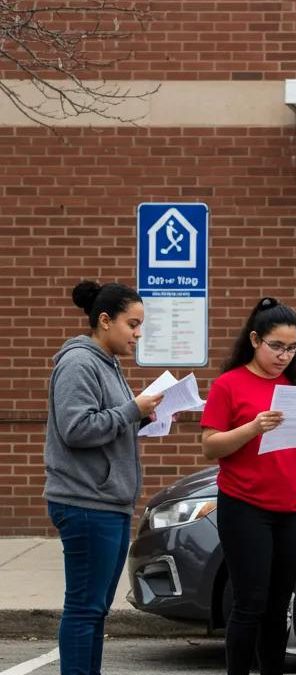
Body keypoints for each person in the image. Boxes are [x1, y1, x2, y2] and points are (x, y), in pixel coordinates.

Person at [200, 297, 296, 675]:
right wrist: (253, 427)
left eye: (292, 348)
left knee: (278, 606)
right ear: (255, 339)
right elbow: (210, 446)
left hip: (293, 506)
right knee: (250, 603)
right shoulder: (229, 384)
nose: (284, 356)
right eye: (276, 346)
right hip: (245, 506)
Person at [44, 280, 164, 675]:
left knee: (95, 610)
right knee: (84, 609)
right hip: (85, 503)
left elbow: (104, 421)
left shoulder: (106, 363)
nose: (138, 334)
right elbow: (76, 429)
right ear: (105, 320)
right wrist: (132, 410)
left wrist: (142, 417)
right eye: (133, 324)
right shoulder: (79, 362)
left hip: (107, 502)